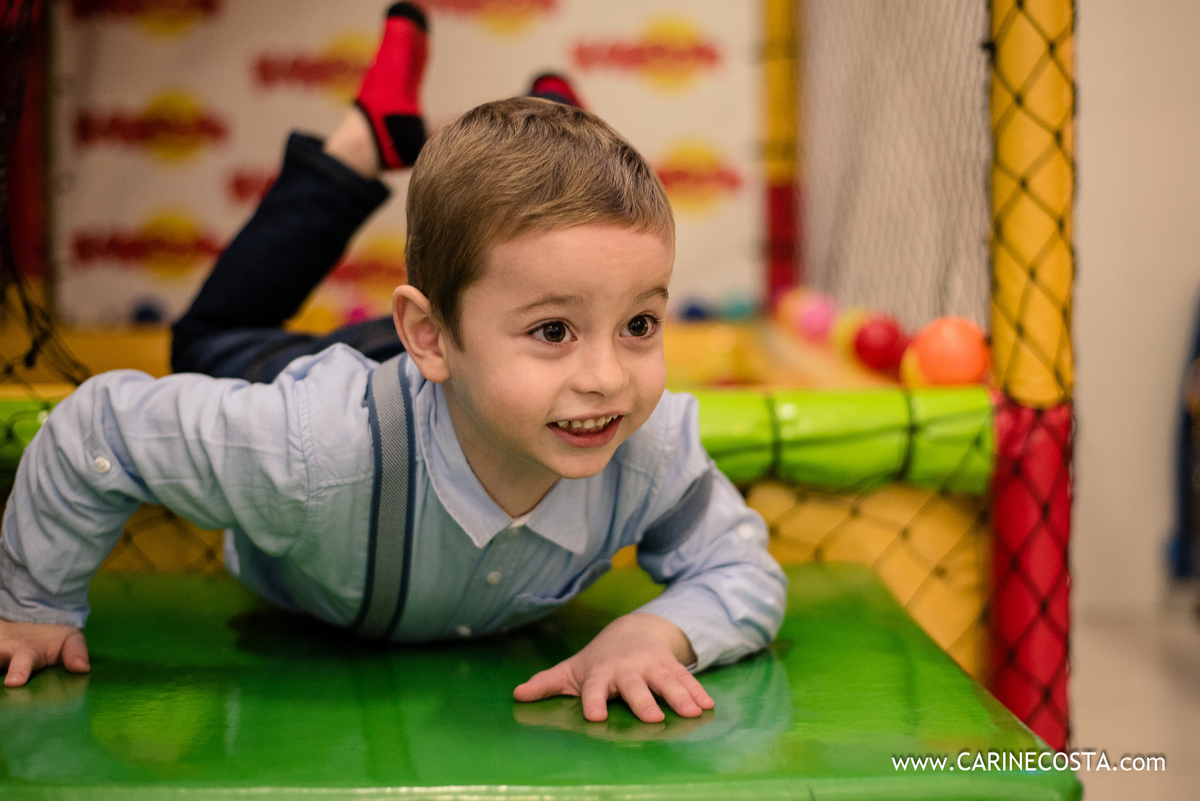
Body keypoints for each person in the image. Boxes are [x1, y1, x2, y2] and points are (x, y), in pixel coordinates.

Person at [0, 3, 786, 723]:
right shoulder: (308, 450)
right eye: (555, 331)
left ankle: (548, 123)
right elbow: (99, 428)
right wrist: (34, 599)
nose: (609, 377)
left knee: (512, 270)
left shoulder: (647, 445)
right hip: (319, 374)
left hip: (462, 361)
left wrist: (656, 632)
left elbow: (743, 571)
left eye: (640, 323)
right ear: (431, 337)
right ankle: (365, 135)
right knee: (207, 340)